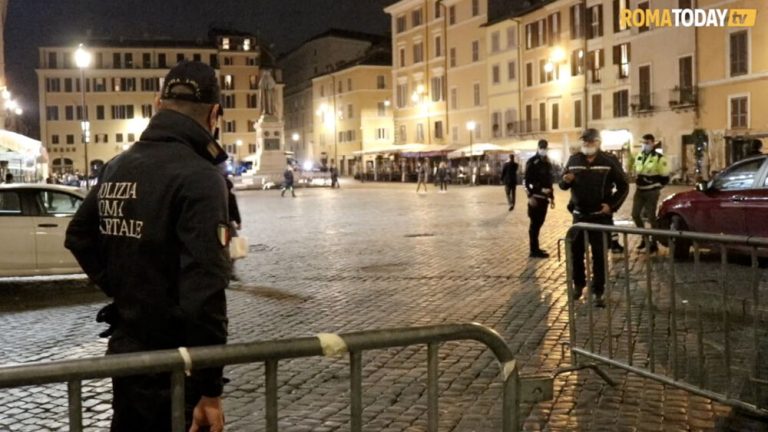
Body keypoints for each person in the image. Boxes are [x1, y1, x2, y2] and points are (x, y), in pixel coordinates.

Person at [64, 61, 228, 431]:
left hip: (127, 352)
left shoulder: (117, 165)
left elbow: (79, 235)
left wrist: (126, 290)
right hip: (176, 363)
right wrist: (210, 388)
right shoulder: (200, 176)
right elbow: (205, 292)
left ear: (157, 103)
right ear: (215, 113)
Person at [560, 128, 629, 308]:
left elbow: (623, 186)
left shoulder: (609, 161)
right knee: (576, 254)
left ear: (598, 143)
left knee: (599, 255)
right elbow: (562, 184)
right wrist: (565, 181)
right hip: (579, 216)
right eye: (584, 142)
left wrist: (611, 205)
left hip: (600, 217)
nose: (586, 145)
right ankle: (578, 284)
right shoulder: (574, 160)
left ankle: (598, 290)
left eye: (590, 142)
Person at [632, 134, 670, 254]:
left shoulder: (659, 158)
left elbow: (665, 177)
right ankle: (644, 238)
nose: (645, 144)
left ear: (653, 143)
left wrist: (656, 187)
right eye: (643, 142)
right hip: (639, 190)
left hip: (651, 192)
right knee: (635, 214)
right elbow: (636, 170)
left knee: (651, 217)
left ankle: (654, 243)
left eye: (647, 142)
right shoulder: (639, 156)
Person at [525, 140, 555, 258]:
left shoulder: (547, 163)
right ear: (538, 147)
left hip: (544, 199)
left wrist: (552, 197)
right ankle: (533, 250)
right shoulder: (532, 162)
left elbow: (549, 181)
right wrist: (530, 195)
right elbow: (526, 182)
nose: (543, 149)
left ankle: (536, 248)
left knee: (539, 223)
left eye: (545, 147)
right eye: (542, 147)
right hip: (536, 198)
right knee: (534, 224)